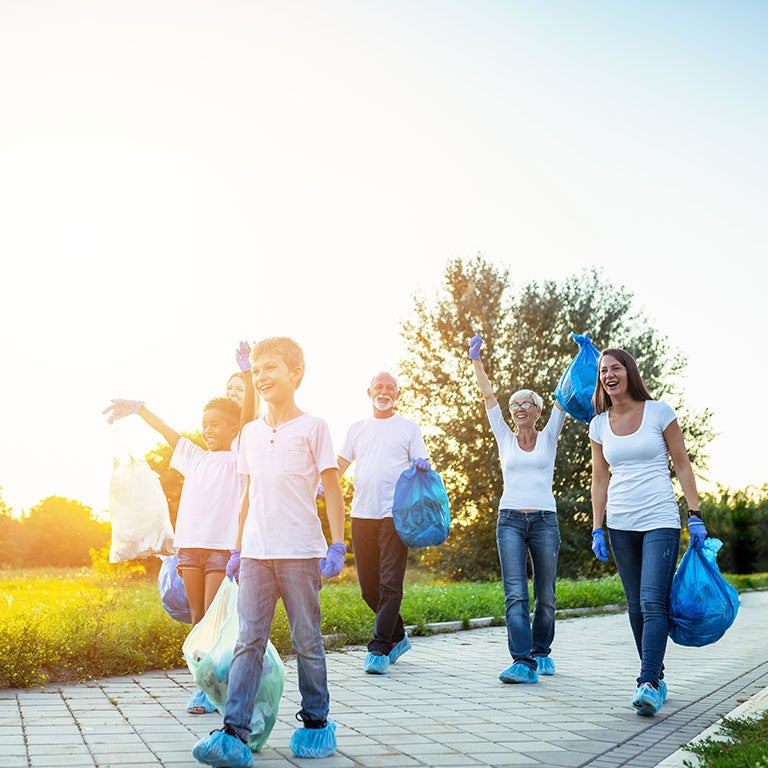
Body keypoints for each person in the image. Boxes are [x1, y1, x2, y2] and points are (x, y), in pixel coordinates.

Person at [192, 336, 347, 767]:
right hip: (257, 554)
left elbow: (332, 488)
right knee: (249, 642)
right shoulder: (250, 436)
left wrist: (337, 543)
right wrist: (236, 549)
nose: (261, 377)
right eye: (256, 370)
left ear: (296, 373)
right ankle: (233, 734)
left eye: (270, 368)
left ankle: (316, 724)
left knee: (307, 641)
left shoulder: (314, 428)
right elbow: (246, 497)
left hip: (301, 553)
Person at [103, 394, 244, 714]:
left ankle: (217, 687)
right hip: (190, 550)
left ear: (234, 430)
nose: (208, 430)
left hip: (221, 551)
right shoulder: (194, 456)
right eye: (204, 425)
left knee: (214, 620)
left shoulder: (238, 457)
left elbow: (248, 417)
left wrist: (248, 376)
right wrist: (140, 410)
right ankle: (205, 687)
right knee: (198, 621)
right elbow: (166, 432)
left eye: (216, 425)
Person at [589, 347, 706, 717]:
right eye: (604, 370)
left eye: (616, 368)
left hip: (659, 519)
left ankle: (648, 682)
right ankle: (655, 673)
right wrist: (596, 526)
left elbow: (683, 465)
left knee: (654, 602)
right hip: (620, 524)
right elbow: (599, 478)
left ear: (629, 372)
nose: (609, 375)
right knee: (637, 604)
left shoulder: (659, 411)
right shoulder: (598, 424)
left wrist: (695, 513)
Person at [469, 333, 566, 684]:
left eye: (527, 403)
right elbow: (488, 396)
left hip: (544, 521)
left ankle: (541, 652)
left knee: (546, 594)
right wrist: (476, 361)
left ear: (538, 411)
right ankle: (523, 661)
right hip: (509, 520)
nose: (519, 408)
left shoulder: (551, 434)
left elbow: (563, 396)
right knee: (515, 593)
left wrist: (580, 358)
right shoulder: (505, 438)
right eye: (515, 405)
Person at [337, 371, 431, 676]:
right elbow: (339, 464)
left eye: (390, 387)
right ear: (369, 392)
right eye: (379, 386)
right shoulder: (356, 429)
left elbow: (422, 461)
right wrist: (320, 487)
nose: (384, 391)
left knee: (390, 582)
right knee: (368, 588)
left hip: (395, 514)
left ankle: (379, 647)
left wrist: (422, 465)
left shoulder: (408, 428)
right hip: (362, 513)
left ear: (398, 394)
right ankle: (397, 635)